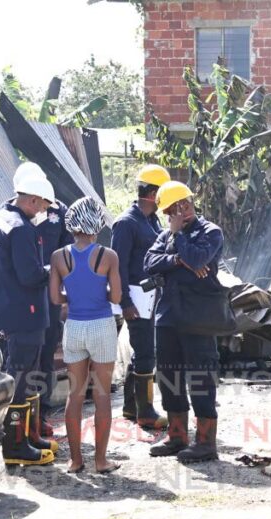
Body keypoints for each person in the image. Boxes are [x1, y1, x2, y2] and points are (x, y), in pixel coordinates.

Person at [0, 163, 59, 467]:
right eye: (42, 205)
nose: (43, 211)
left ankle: (27, 436)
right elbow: (30, 275)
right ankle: (16, 444)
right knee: (22, 380)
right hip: (26, 312)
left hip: (10, 310)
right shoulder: (21, 229)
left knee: (26, 377)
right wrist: (56, 268)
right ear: (31, 200)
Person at [143, 181, 224, 463]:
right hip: (168, 317)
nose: (182, 212)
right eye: (175, 209)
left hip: (199, 316)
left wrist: (179, 241)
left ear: (192, 202)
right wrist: (179, 259)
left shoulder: (210, 232)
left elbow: (200, 257)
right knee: (169, 378)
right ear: (166, 212)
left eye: (185, 205)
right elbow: (149, 263)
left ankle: (205, 443)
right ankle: (177, 437)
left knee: (201, 379)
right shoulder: (166, 235)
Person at [49, 197, 122, 474]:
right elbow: (116, 296)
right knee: (102, 394)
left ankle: (75, 460)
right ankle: (101, 461)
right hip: (102, 325)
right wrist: (98, 293)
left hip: (74, 327)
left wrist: (76, 295)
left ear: (72, 224)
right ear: (97, 223)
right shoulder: (108, 256)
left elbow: (56, 298)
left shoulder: (58, 257)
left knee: (75, 395)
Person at [111, 164, 171, 429]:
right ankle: (145, 412)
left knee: (143, 351)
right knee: (145, 352)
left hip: (150, 297)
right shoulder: (126, 223)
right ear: (153, 192)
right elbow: (118, 266)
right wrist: (124, 302)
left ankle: (130, 406)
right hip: (136, 299)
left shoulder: (152, 220)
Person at [36, 198, 73, 430]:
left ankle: (41, 416)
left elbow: (69, 254)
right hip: (25, 296)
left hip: (51, 297)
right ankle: (23, 420)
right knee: (26, 362)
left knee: (46, 358)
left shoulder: (59, 211)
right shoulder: (14, 215)